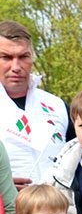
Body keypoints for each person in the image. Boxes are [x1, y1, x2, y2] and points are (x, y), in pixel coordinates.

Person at [0, 21, 73, 189]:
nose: (16, 67)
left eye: (23, 57)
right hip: (6, 204)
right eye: (6, 57)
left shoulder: (57, 105)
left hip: (57, 203)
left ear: (32, 58)